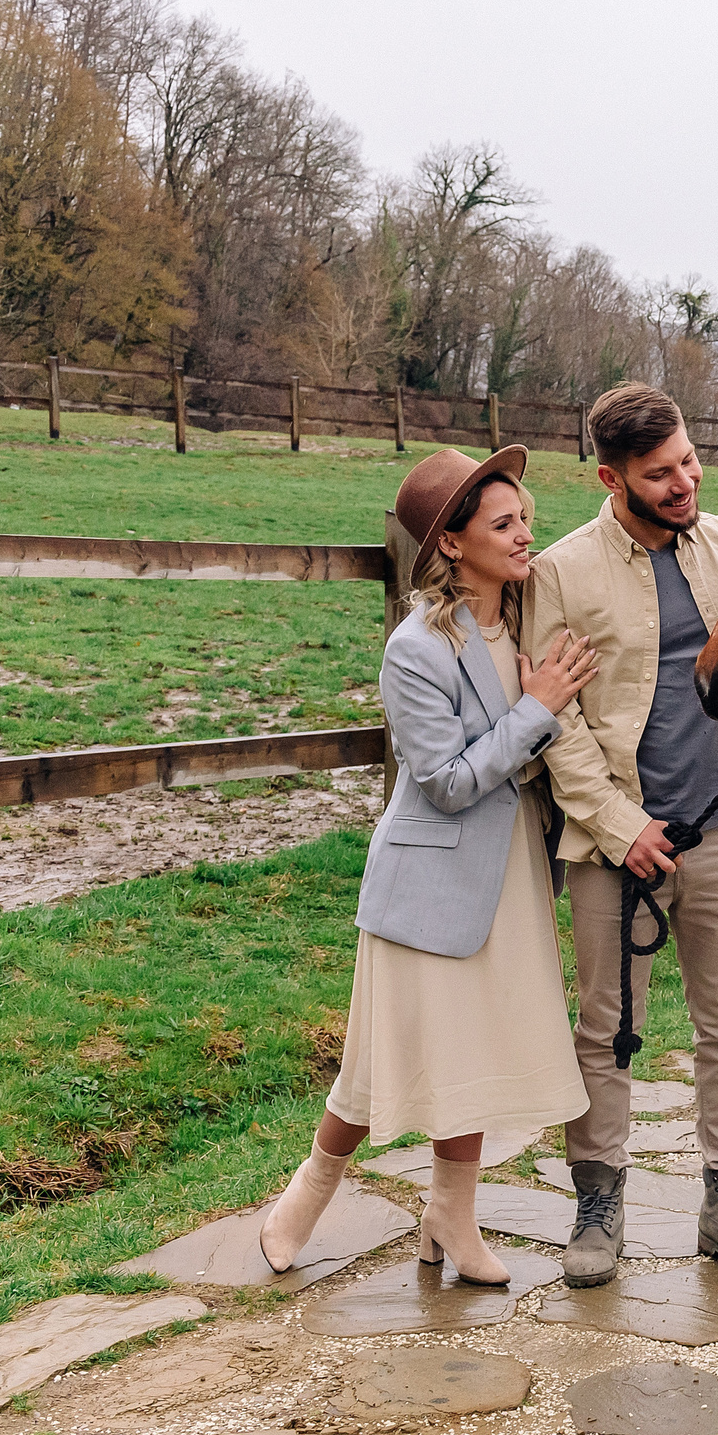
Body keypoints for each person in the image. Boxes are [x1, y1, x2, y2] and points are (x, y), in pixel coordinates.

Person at [256, 446, 599, 1281]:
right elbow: (445, 782)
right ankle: (307, 1191)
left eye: (526, 518)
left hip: (512, 868)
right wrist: (537, 711)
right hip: (430, 876)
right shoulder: (415, 649)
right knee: (381, 1056)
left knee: (471, 1050)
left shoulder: (521, 624)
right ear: (451, 543)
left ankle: (451, 1215)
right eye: (504, 523)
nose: (526, 536)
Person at [526, 383, 718, 1285]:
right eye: (660, 473)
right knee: (604, 1028)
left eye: (689, 461)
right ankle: (599, 1204)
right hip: (613, 844)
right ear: (609, 477)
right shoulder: (561, 574)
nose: (684, 481)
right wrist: (622, 829)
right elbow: (557, 722)